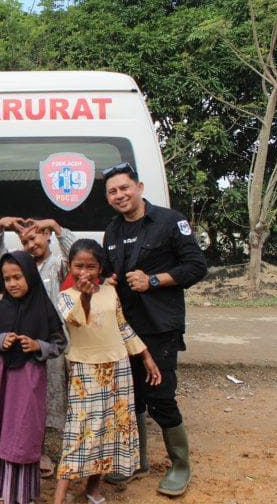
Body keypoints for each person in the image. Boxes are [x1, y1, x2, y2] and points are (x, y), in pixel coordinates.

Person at [101, 163, 207, 496]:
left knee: (160, 397)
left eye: (124, 188)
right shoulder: (112, 231)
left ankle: (180, 465)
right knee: (131, 397)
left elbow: (196, 266)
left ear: (139, 187)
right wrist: (108, 279)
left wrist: (154, 281)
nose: (119, 195)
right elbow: (108, 272)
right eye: (112, 191)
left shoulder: (170, 221)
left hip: (160, 327)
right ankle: (137, 460)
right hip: (125, 329)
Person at [53, 239, 162, 504]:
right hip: (86, 371)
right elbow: (77, 320)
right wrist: (86, 297)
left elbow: (122, 327)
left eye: (91, 266)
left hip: (118, 368)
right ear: (69, 266)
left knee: (108, 431)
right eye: (78, 266)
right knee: (79, 432)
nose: (84, 272)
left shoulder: (111, 292)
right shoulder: (65, 297)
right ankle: (59, 496)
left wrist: (146, 356)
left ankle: (92, 487)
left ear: (100, 268)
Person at [0, 251, 67, 504]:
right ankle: (2, 491)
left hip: (29, 379)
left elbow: (59, 343)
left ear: (30, 275)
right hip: (2, 379)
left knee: (24, 430)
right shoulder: (1, 308)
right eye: (7, 279)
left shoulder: (43, 307)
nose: (12, 283)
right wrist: (0, 341)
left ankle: (20, 494)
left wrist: (38, 345)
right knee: (0, 427)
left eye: (18, 277)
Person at [0, 216, 76, 475]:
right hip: (18, 347)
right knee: (17, 400)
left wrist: (57, 227)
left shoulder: (56, 265)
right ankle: (12, 448)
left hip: (45, 341)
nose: (30, 244)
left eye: (34, 237)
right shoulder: (19, 266)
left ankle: (38, 450)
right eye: (24, 241)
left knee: (44, 399)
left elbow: (74, 254)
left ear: (47, 236)